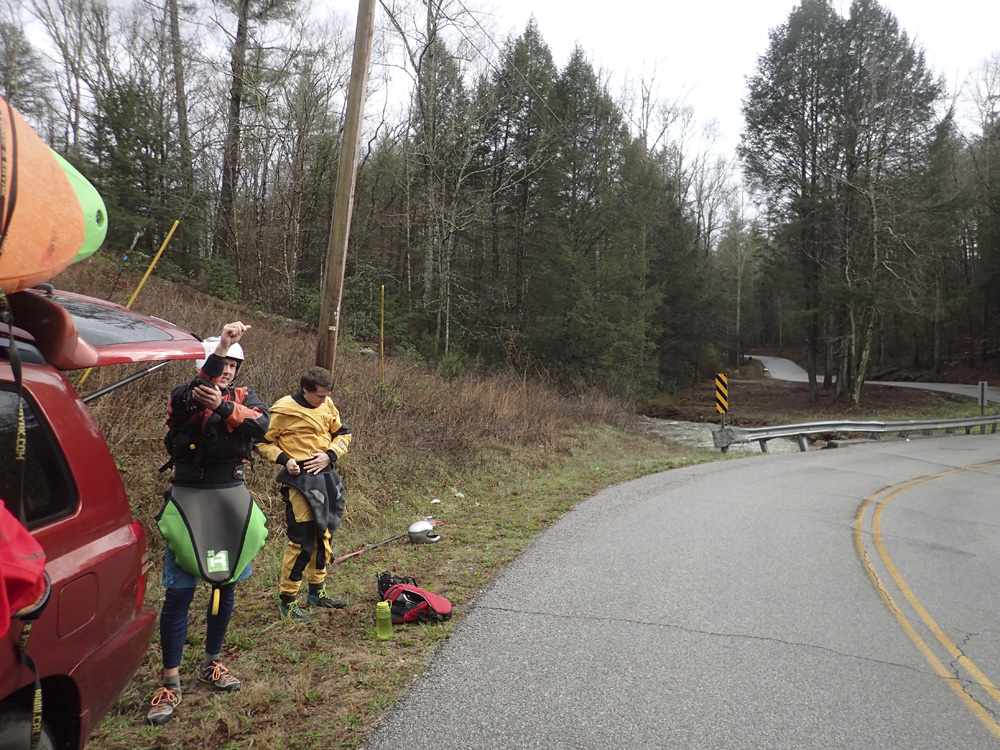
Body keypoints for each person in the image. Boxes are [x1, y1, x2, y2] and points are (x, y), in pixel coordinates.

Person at [147, 322, 270, 726]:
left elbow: (261, 425)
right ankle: (170, 680)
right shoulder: (183, 395)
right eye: (222, 363)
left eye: (233, 364)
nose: (228, 370)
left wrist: (223, 407)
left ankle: (212, 662)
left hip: (230, 500)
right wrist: (220, 350)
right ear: (206, 364)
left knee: (225, 584)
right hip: (188, 502)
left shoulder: (246, 398)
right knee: (179, 593)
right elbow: (191, 398)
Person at [257, 365, 352, 623]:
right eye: (319, 396)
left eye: (326, 395)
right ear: (305, 390)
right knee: (302, 540)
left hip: (326, 477)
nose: (324, 400)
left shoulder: (327, 404)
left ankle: (317, 592)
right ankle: (288, 601)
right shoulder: (283, 410)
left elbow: (342, 433)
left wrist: (330, 455)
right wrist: (284, 459)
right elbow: (261, 441)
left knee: (324, 533)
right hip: (299, 481)